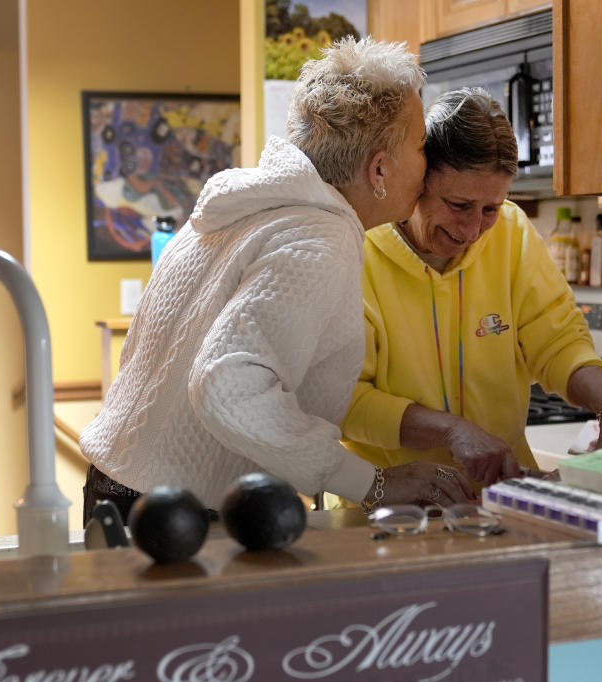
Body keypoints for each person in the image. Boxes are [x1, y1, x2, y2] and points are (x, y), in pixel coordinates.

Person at [79, 37, 475, 527]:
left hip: (115, 486)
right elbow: (226, 385)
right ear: (378, 169)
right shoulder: (320, 239)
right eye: (420, 146)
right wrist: (370, 482)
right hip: (181, 516)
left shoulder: (243, 209)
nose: (428, 164)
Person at [341, 87, 602, 492]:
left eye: (490, 209)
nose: (473, 230)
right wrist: (451, 431)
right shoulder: (355, 247)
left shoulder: (512, 230)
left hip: (504, 499)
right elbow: (344, 400)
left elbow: (558, 340)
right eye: (458, 205)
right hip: (387, 506)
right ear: (417, 183)